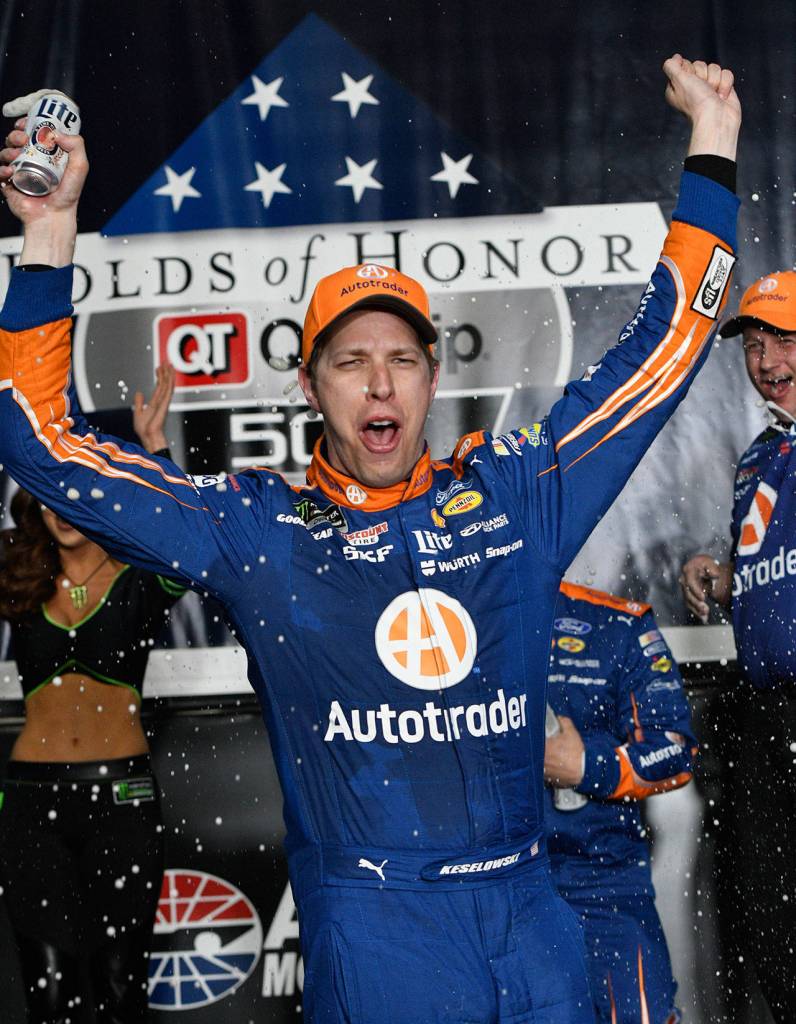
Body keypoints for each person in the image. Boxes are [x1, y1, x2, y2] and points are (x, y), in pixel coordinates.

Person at [0, 54, 740, 1023]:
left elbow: (667, 344)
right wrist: (50, 236)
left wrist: (715, 145)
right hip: (376, 929)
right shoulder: (253, 531)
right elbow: (43, 447)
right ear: (310, 388)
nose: (379, 384)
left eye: (401, 358)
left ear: (435, 378)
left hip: (533, 923)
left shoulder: (517, 499)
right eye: (350, 360)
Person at [0, 368, 185, 1023]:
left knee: (118, 990)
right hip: (29, 807)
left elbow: (180, 532)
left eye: (78, 488)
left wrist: (155, 447)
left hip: (123, 804)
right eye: (52, 488)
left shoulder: (141, 578)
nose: (62, 503)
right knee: (50, 995)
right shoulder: (16, 572)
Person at [679, 272, 796, 1023]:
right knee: (767, 916)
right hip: (766, 712)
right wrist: (727, 578)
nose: (765, 359)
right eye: (754, 345)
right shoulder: (760, 456)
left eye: (783, 339)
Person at [544, 582, 695, 1024]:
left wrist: (588, 766)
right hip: (489, 885)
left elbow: (675, 751)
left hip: (602, 884)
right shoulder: (452, 619)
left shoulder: (618, 622)